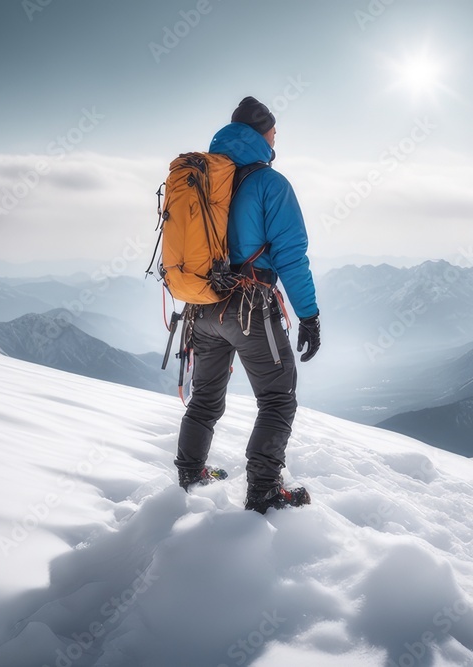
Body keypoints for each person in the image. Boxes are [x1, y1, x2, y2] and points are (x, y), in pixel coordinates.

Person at [174, 96, 321, 514]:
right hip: (249, 308)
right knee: (277, 399)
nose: (277, 139)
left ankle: (190, 474)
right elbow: (291, 255)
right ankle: (263, 491)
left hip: (201, 309)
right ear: (261, 134)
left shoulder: (205, 179)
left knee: (205, 397)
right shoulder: (270, 184)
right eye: (274, 131)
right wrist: (308, 315)